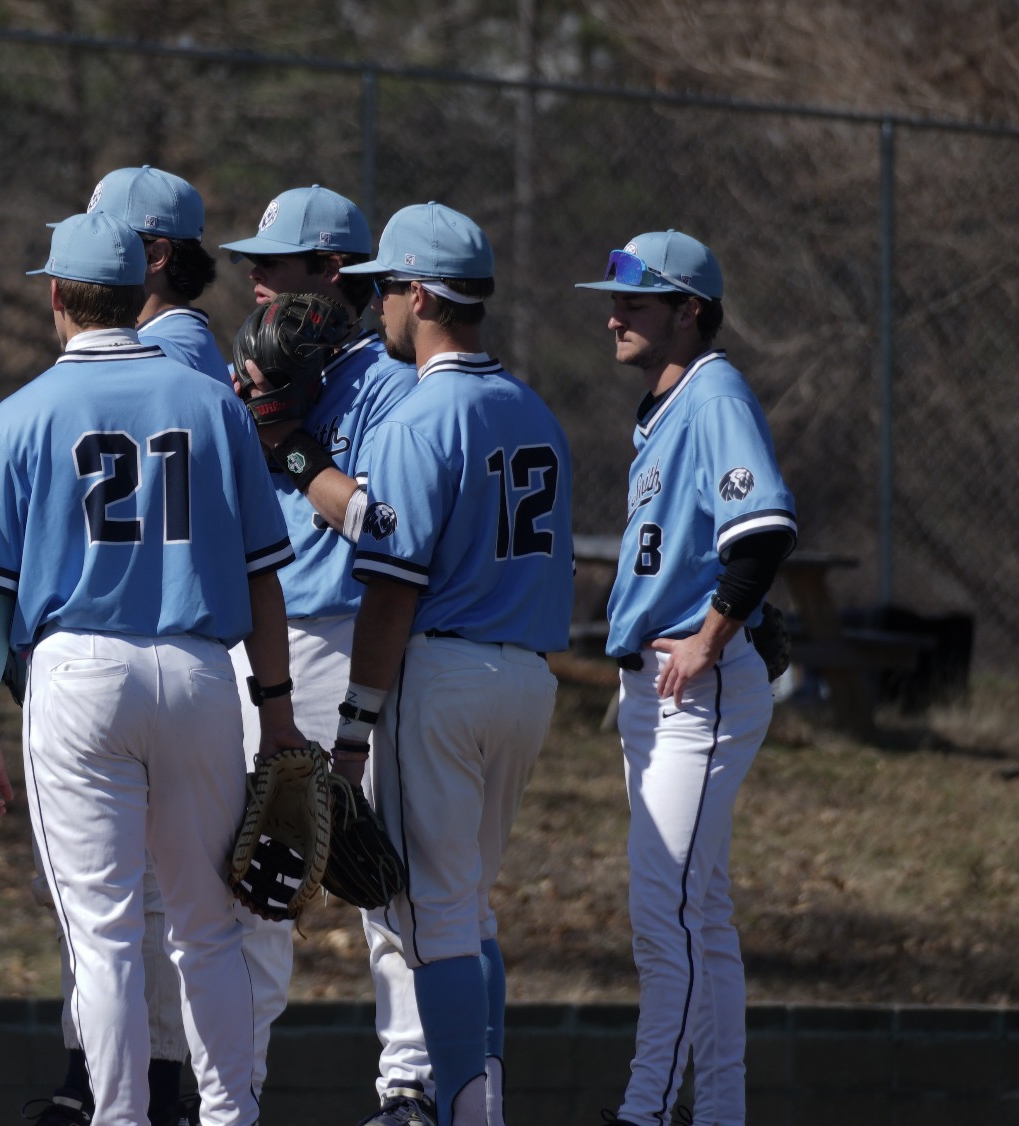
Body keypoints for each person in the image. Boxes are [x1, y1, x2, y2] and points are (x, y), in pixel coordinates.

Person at [0, 212, 302, 1126]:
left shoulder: (23, 413)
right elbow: (264, 576)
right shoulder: (212, 401)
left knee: (103, 936)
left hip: (77, 674)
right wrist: (281, 710)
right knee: (207, 928)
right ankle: (230, 1116)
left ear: (59, 296)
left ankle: (118, 1117)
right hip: (196, 671)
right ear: (139, 290)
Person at [327, 202, 575, 1126]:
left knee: (429, 919)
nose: (378, 305)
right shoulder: (535, 410)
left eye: (387, 287)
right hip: (529, 682)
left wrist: (352, 728)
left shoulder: (419, 416)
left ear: (422, 294)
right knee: (465, 911)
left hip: (440, 678)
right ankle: (487, 1097)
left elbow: (392, 591)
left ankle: (468, 1111)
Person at [576, 230, 796, 1126]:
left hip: (694, 689)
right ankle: (720, 1111)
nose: (616, 313)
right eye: (615, 297)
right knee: (698, 916)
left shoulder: (713, 394)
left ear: (689, 312)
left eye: (637, 300)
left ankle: (644, 1110)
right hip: (656, 692)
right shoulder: (669, 403)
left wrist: (713, 633)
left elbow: (765, 530)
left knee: (664, 920)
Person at [217, 184, 423, 1118]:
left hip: (346, 632)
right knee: (258, 872)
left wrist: (291, 445)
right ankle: (237, 1092)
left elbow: (382, 523)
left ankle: (409, 1084)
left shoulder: (388, 382)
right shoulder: (261, 369)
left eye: (275, 262)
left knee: (382, 873)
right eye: (251, 262)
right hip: (258, 641)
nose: (254, 278)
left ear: (332, 274)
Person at [24, 164, 223, 1126]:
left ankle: (140, 1087)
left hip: (128, 648)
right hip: (178, 665)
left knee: (141, 905)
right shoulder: (171, 350)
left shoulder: (170, 350)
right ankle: (140, 1084)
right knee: (153, 906)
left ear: (147, 253)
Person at [81, 164, 226, 377]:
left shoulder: (157, 353)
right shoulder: (180, 340)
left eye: (106, 242)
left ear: (154, 256)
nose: (85, 254)